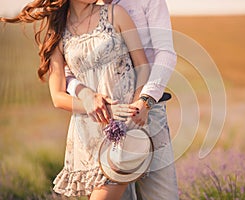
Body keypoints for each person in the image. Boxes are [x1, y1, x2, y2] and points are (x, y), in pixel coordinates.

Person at [0, 0, 154, 199]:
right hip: (86, 136)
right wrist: (89, 103)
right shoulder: (58, 32)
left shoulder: (116, 14)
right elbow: (57, 96)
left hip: (122, 131)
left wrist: (135, 109)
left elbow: (143, 66)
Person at [66, 0, 179, 199]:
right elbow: (70, 69)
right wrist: (85, 94)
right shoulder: (90, 7)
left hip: (146, 114)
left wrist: (145, 100)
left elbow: (166, 54)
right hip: (106, 122)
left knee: (161, 195)